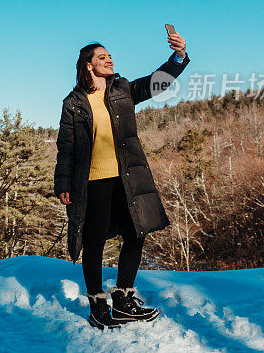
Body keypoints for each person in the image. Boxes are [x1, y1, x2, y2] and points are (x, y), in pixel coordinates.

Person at [53, 32, 189, 329]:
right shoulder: (74, 102)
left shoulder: (123, 89)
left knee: (136, 233)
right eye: (102, 57)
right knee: (94, 242)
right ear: (88, 65)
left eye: (109, 56)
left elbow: (158, 82)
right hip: (92, 182)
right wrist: (63, 184)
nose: (109, 59)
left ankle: (124, 300)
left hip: (127, 178)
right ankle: (97, 304)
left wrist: (178, 57)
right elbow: (66, 146)